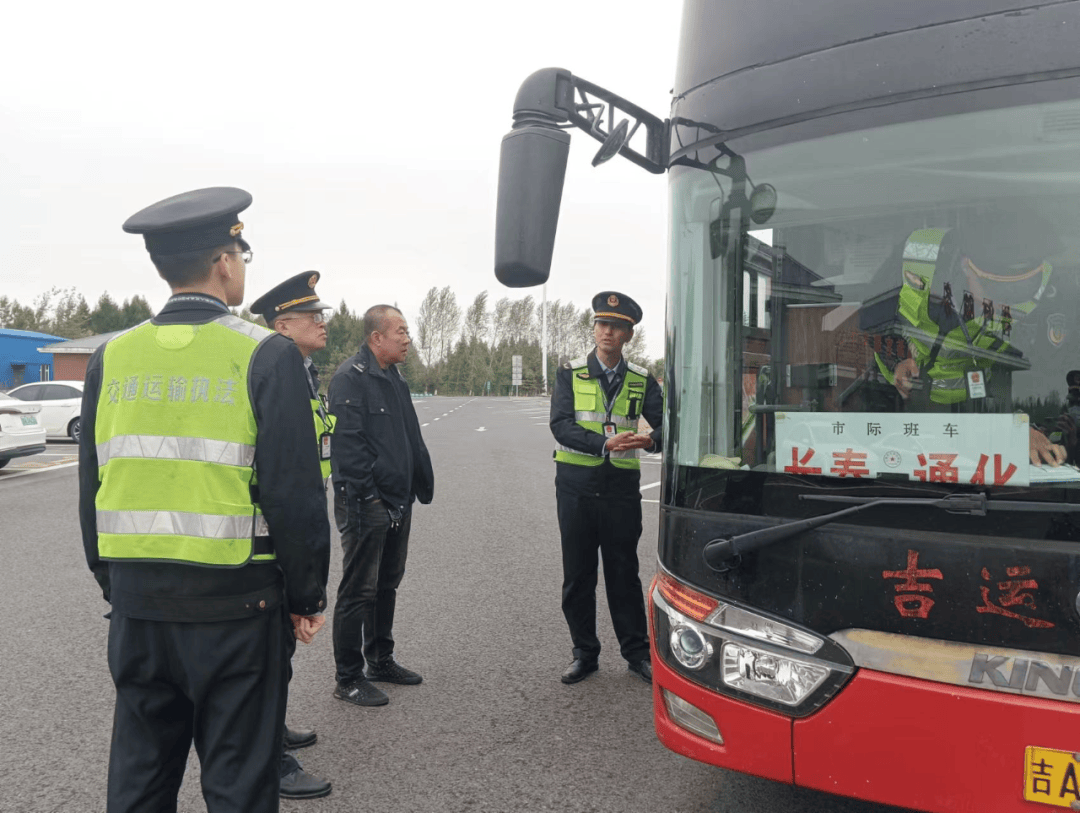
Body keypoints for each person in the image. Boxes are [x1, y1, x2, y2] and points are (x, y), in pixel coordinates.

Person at [79, 187, 331, 812]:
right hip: (236, 606)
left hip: (138, 606)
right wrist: (305, 596)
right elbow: (293, 494)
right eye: (240, 253)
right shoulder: (263, 353)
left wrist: (115, 585)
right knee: (240, 781)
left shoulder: (111, 355)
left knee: (139, 779)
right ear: (223, 262)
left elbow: (91, 485)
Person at [871, 211, 1069, 466]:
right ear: (966, 268)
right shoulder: (919, 263)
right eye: (994, 290)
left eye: (1020, 291)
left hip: (994, 428)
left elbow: (1054, 377)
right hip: (914, 424)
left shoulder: (1056, 295)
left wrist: (1032, 427)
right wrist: (898, 359)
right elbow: (872, 321)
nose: (1003, 303)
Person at [250, 271, 337, 800]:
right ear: (283, 326)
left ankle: (274, 728)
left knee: (277, 652)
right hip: (270, 532)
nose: (323, 323)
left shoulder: (304, 373)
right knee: (265, 653)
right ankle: (270, 760)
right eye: (313, 316)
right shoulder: (279, 373)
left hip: (294, 524)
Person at [549, 291, 662, 685]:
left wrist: (651, 441)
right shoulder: (571, 372)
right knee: (578, 575)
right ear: (594, 328)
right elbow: (561, 424)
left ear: (628, 335)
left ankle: (636, 654)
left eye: (616, 327)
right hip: (577, 488)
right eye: (601, 324)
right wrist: (603, 443)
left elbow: (667, 426)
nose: (607, 332)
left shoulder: (641, 379)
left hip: (621, 491)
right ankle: (584, 654)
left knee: (623, 573)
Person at [328, 304, 434, 707]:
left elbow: (407, 437)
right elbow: (348, 452)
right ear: (377, 338)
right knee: (358, 590)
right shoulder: (349, 380)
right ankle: (348, 677)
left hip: (397, 500)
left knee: (386, 584)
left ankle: (381, 660)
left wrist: (410, 488)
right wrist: (372, 498)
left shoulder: (393, 376)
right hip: (365, 503)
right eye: (401, 332)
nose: (407, 339)